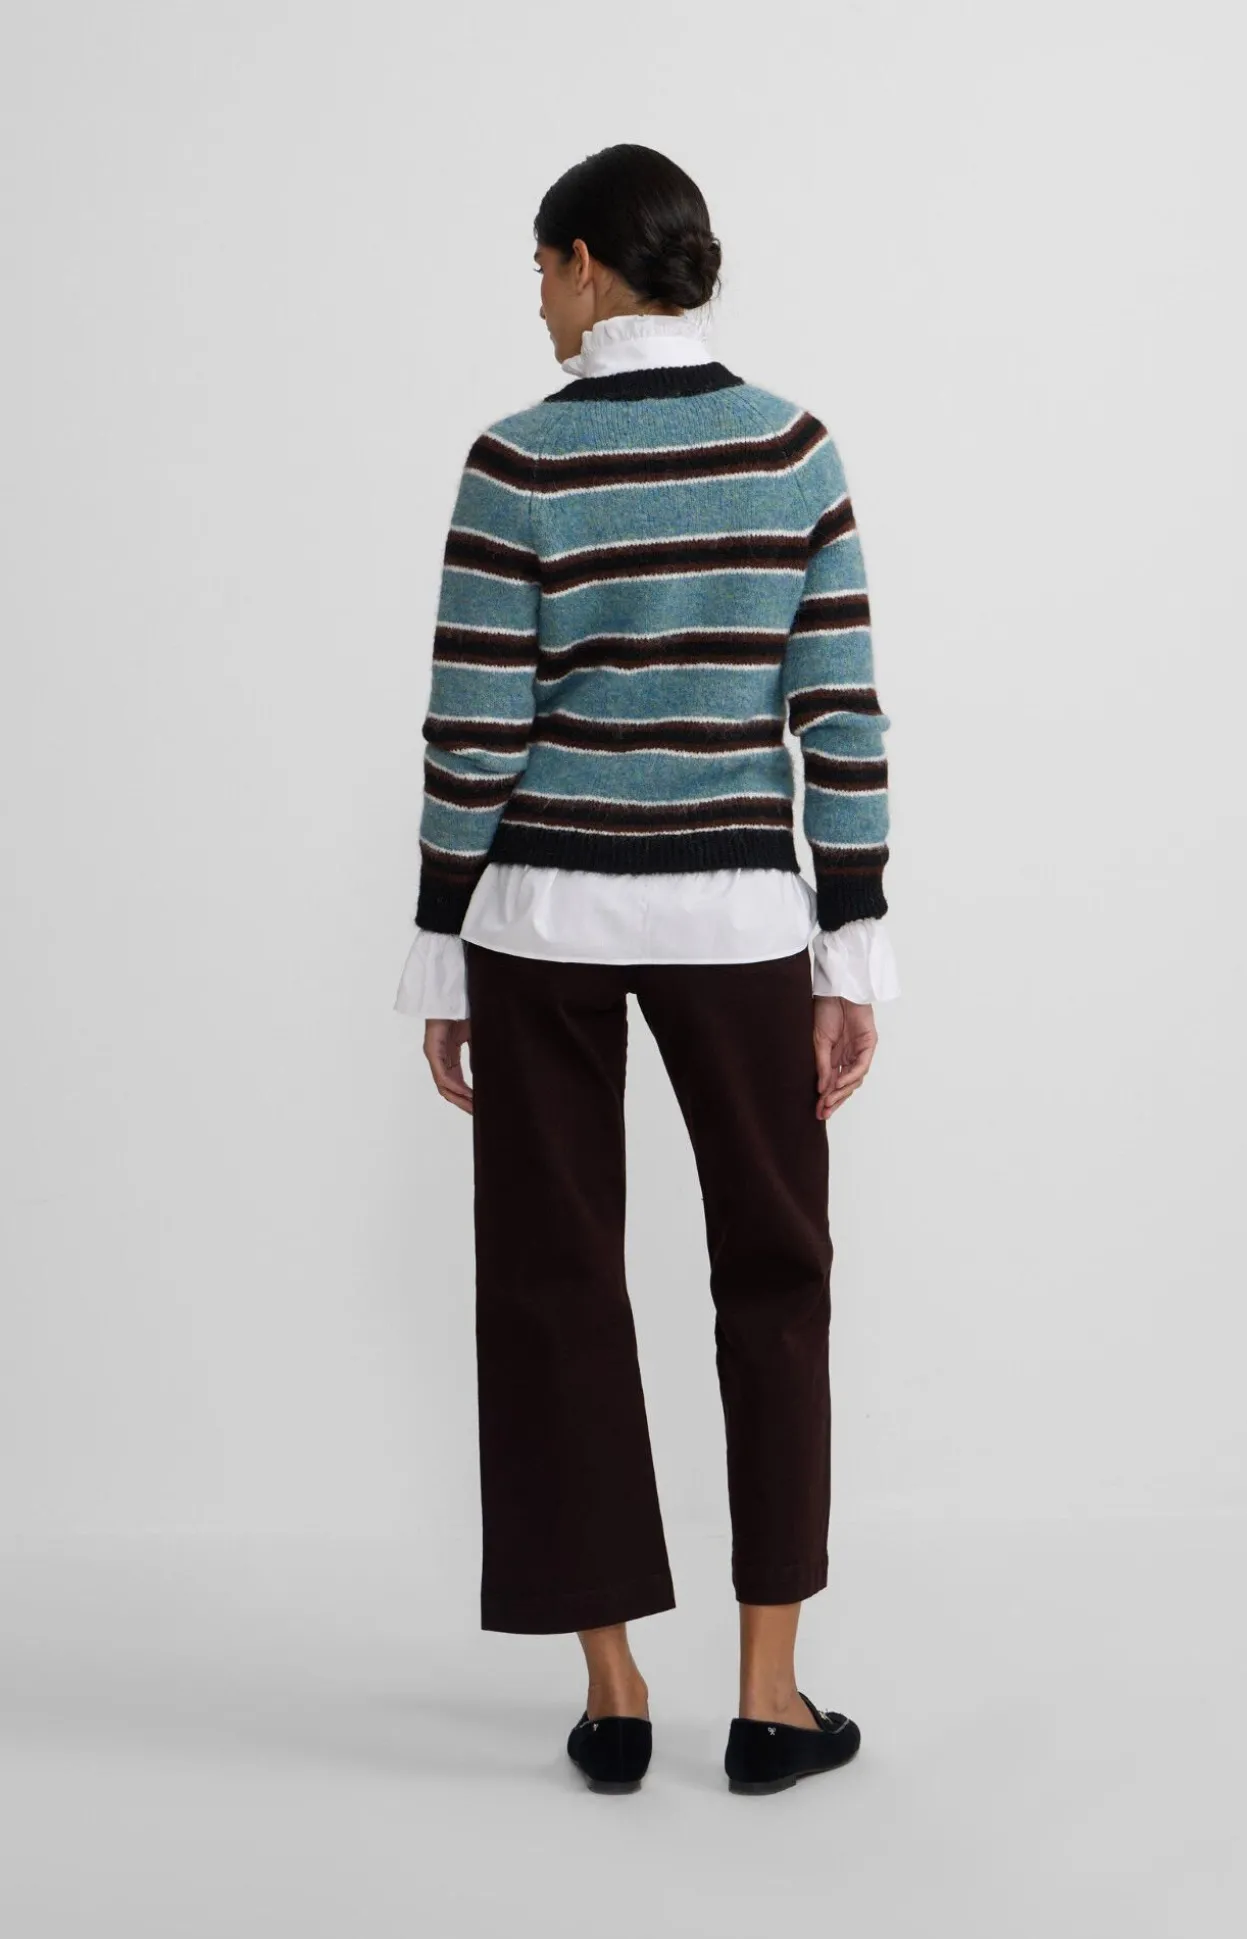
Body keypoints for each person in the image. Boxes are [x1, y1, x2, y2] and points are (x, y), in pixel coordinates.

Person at [394, 143, 897, 1796]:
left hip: (542, 922)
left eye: (541, 269)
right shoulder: (793, 449)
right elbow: (839, 713)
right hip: (741, 924)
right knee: (777, 1280)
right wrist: (852, 941)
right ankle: (770, 1697)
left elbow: (476, 727)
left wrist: (438, 950)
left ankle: (613, 1692)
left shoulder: (515, 462)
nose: (537, 302)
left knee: (554, 1285)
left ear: (588, 263)